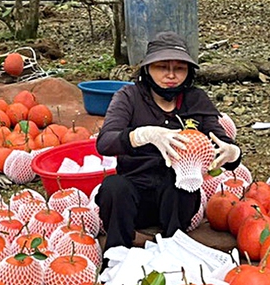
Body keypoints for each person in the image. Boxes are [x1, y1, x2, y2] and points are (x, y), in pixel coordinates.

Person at [95, 32, 242, 249]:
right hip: (135, 191)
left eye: (179, 68)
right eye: (162, 67)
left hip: (177, 196)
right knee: (113, 187)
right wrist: (143, 135)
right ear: (147, 69)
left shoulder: (195, 100)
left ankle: (174, 248)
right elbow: (105, 142)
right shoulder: (129, 97)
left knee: (181, 187)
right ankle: (117, 253)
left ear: (188, 72)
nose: (171, 75)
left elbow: (220, 142)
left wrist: (231, 152)